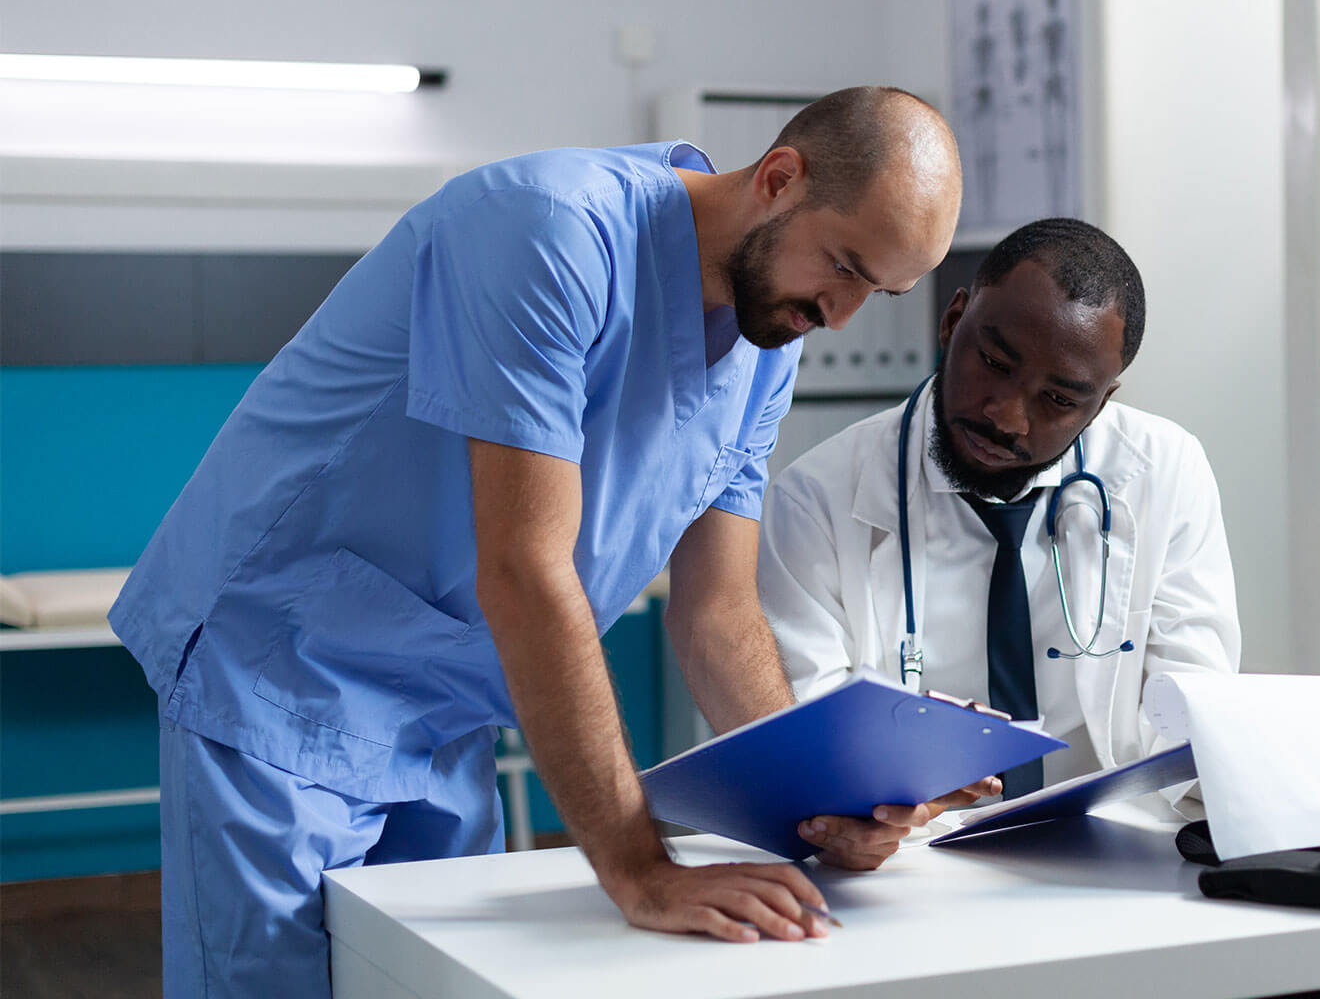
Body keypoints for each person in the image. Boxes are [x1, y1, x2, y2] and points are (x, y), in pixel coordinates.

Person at [108, 86, 963, 995]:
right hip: (282, 665)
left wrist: (818, 807)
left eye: (880, 290)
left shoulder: (769, 335)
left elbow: (716, 610)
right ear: (779, 179)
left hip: (445, 706)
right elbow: (523, 568)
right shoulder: (547, 229)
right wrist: (641, 870)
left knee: (428, 980)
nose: (843, 314)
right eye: (845, 266)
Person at [757, 218, 1241, 869]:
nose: (1006, 416)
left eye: (1059, 399)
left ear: (1101, 403)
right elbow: (811, 749)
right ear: (953, 320)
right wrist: (851, 819)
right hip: (912, 866)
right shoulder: (814, 499)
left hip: (1108, 856)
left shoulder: (1164, 470)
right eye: (994, 363)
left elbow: (1192, 710)